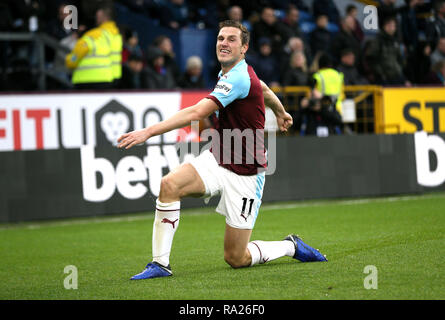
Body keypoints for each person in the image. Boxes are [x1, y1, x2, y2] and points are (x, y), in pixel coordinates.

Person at [117, 20, 327, 280]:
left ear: (244, 48)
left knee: (236, 258)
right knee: (169, 185)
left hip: (247, 174)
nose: (224, 43)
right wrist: (280, 110)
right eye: (220, 38)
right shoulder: (235, 73)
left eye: (231, 39)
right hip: (218, 158)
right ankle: (160, 264)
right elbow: (261, 86)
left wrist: (148, 132)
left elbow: (196, 112)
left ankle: (290, 246)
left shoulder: (238, 77)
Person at [65, 4, 121, 90]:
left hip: (85, 80)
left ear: (101, 16)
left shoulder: (94, 35)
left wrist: (69, 60)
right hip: (109, 78)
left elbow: (74, 58)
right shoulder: (116, 35)